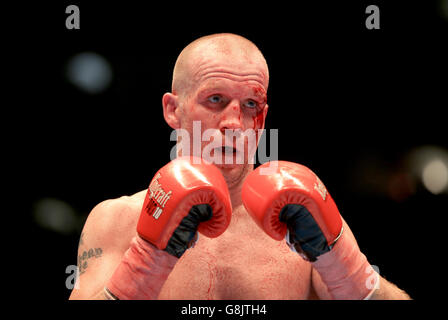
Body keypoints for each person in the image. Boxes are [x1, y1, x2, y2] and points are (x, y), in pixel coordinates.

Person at [69, 33, 411, 300]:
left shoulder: (298, 216)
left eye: (250, 104)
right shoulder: (118, 219)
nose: (234, 122)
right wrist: (146, 262)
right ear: (173, 110)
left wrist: (344, 267)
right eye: (215, 100)